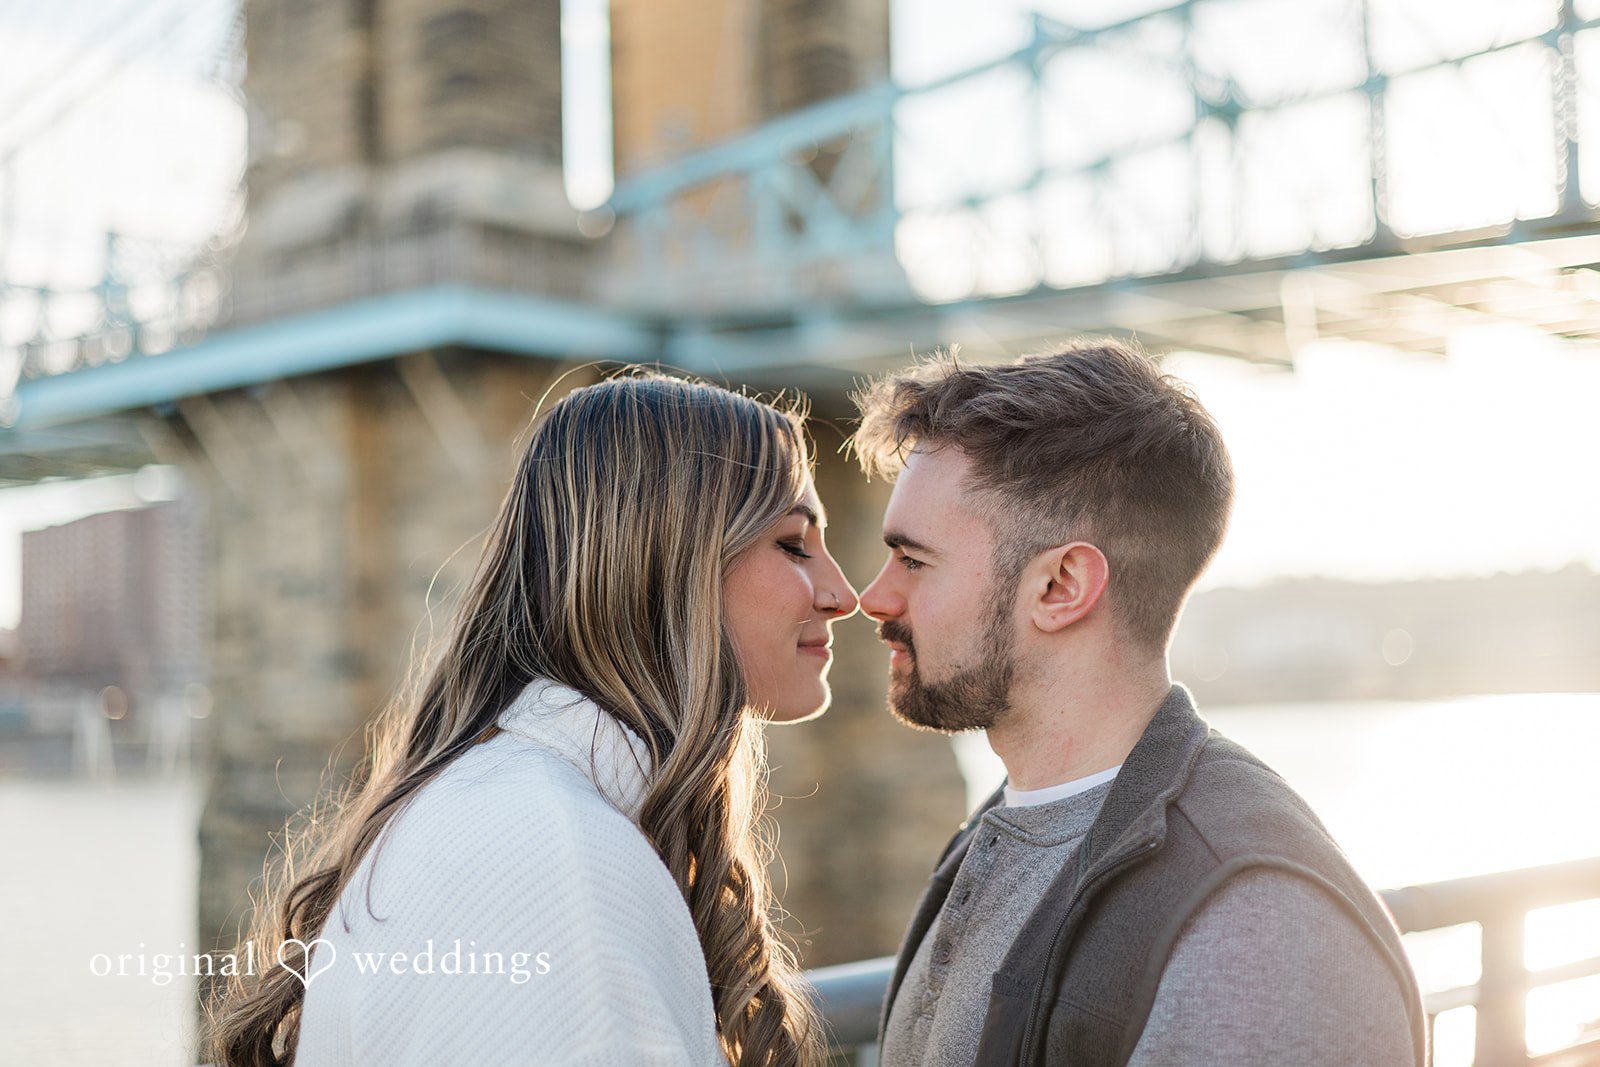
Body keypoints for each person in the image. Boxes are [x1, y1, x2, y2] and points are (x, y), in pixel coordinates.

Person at [202, 372, 859, 1067]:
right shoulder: (561, 864)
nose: (843, 592)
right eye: (793, 543)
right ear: (667, 561)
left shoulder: (517, 805)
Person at [850, 340, 1426, 1066]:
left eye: (913, 560)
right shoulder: (1004, 830)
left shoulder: (1257, 931)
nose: (873, 597)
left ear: (1061, 586)